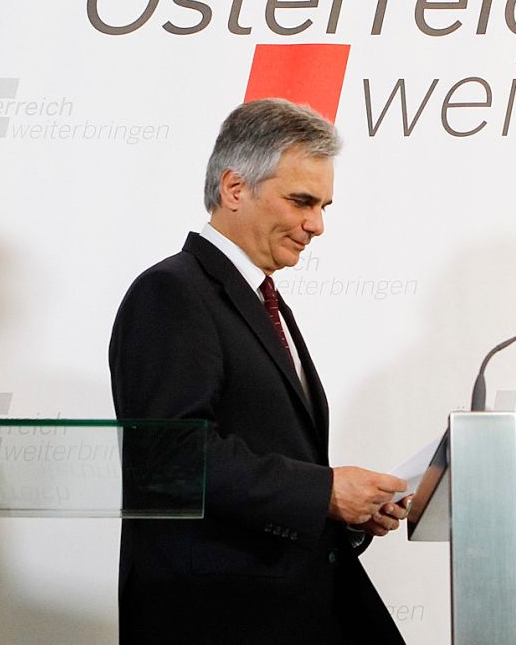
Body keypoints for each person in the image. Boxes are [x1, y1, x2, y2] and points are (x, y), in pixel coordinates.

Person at [109, 98, 410, 643]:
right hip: (213, 619)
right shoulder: (172, 292)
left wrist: (340, 510)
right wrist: (322, 492)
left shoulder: (264, 302)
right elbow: (169, 460)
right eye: (301, 201)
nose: (315, 225)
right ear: (234, 189)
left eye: (323, 206)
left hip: (286, 609)